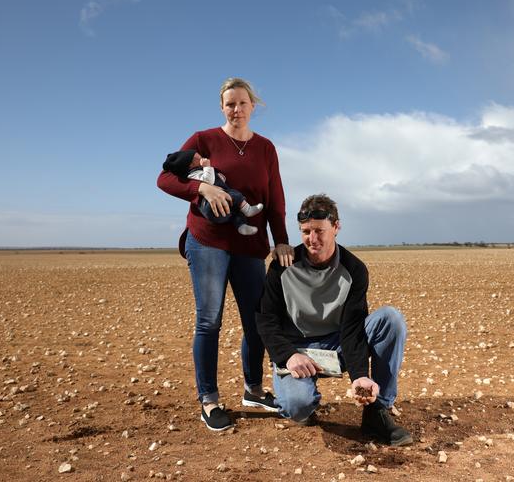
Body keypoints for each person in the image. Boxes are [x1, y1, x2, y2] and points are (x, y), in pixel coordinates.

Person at [157, 77, 294, 431]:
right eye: (230, 103)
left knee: (257, 321)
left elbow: (275, 199)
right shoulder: (204, 140)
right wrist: (200, 186)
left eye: (242, 103)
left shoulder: (266, 148)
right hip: (208, 242)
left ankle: (253, 390)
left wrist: (281, 240)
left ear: (253, 106)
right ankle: (210, 400)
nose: (236, 109)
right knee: (209, 320)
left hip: (250, 245)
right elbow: (165, 178)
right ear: (222, 107)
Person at [256, 194, 413, 446]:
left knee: (390, 319)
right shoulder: (282, 267)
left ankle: (376, 413)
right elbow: (266, 320)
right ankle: (305, 401)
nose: (312, 239)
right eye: (306, 231)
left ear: (336, 227)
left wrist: (360, 377)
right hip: (298, 352)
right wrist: (288, 355)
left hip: (337, 345)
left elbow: (352, 329)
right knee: (297, 407)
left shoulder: (354, 269)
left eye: (320, 230)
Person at [162, 150, 264, 235]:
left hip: (219, 209)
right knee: (234, 194)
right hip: (210, 206)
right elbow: (208, 181)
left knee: (235, 212)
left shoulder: (200, 170)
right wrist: (207, 166)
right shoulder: (193, 174)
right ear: (191, 164)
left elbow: (216, 179)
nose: (202, 157)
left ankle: (241, 226)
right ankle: (248, 210)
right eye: (198, 156)